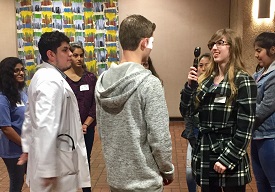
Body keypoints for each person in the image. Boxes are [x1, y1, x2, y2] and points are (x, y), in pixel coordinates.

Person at [95, 14, 174, 192]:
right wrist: (167, 170)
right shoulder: (149, 82)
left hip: (116, 180)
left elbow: (103, 131)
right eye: (152, 42)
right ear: (144, 42)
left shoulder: (102, 81)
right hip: (145, 182)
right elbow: (159, 137)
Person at [181, 28, 257, 192]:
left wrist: (227, 158)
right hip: (205, 154)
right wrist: (189, 88)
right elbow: (186, 111)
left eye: (220, 43)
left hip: (229, 159)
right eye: (213, 44)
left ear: (233, 47)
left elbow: (245, 128)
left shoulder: (243, 80)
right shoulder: (205, 80)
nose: (214, 48)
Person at [17, 31, 91, 192]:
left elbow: (30, 117)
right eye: (65, 50)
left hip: (52, 159)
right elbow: (46, 123)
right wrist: (47, 169)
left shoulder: (43, 76)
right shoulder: (50, 81)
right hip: (55, 167)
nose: (70, 54)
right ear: (51, 54)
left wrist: (27, 147)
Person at [65, 43, 97, 192]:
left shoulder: (90, 78)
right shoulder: (62, 79)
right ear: (69, 57)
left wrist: (86, 124)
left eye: (81, 55)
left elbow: (95, 103)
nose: (79, 58)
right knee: (68, 162)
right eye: (75, 55)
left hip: (87, 128)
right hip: (68, 128)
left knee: (85, 160)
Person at [179, 53, 211, 192]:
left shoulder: (214, 85)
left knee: (207, 175)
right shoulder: (191, 85)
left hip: (209, 137)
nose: (202, 68)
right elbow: (183, 110)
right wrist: (189, 86)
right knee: (189, 173)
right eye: (200, 65)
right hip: (194, 134)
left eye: (206, 65)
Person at [251, 32, 275, 192]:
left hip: (270, 137)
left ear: (272, 49)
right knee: (261, 183)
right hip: (256, 135)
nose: (256, 55)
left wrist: (244, 119)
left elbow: (266, 107)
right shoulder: (259, 74)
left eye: (259, 50)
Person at [0, 57, 27, 192]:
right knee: (17, 182)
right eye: (16, 71)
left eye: (22, 70)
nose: (21, 73)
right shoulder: (2, 98)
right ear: (7, 74)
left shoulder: (22, 92)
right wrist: (25, 144)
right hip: (13, 149)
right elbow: (6, 128)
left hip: (27, 147)